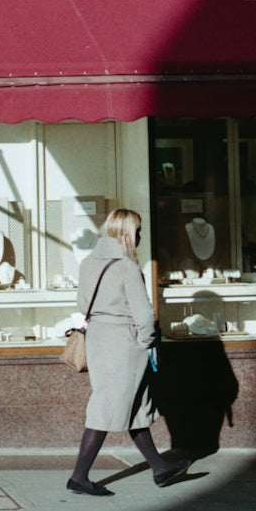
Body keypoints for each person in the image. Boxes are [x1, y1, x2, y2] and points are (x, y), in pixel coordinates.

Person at [67, 208, 191, 495]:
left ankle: (160, 469)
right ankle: (79, 477)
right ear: (126, 232)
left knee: (133, 406)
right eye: (137, 230)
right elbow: (145, 316)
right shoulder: (126, 266)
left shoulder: (88, 262)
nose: (139, 235)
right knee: (106, 406)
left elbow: (83, 305)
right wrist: (147, 341)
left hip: (98, 338)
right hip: (124, 343)